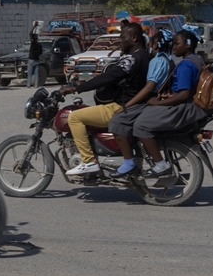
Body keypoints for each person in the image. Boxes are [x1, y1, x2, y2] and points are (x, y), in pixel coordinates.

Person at [111, 29, 206, 179]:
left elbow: (184, 94)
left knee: (141, 125)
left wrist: (158, 103)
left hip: (183, 107)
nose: (173, 47)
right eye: (173, 43)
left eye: (177, 43)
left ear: (188, 45)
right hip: (187, 104)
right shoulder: (196, 59)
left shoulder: (185, 65)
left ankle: (160, 165)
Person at [58, 22, 149, 176]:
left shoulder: (132, 59)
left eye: (123, 38)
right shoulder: (142, 56)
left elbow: (107, 77)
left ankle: (88, 161)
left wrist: (76, 88)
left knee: (74, 117)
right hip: (130, 105)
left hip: (120, 107)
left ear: (134, 38)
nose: (120, 41)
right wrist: (83, 83)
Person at [107, 29, 175, 178]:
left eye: (150, 43)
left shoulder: (158, 60)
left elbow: (149, 87)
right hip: (152, 99)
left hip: (149, 100)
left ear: (155, 45)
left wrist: (127, 106)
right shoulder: (167, 59)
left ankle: (129, 163)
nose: (147, 47)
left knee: (117, 121)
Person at [26, 23, 42, 88]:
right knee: (36, 74)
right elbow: (41, 53)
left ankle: (28, 84)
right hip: (37, 60)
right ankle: (36, 85)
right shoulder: (40, 45)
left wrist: (34, 26)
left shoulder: (33, 43)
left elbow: (30, 33)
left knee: (29, 73)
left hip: (31, 60)